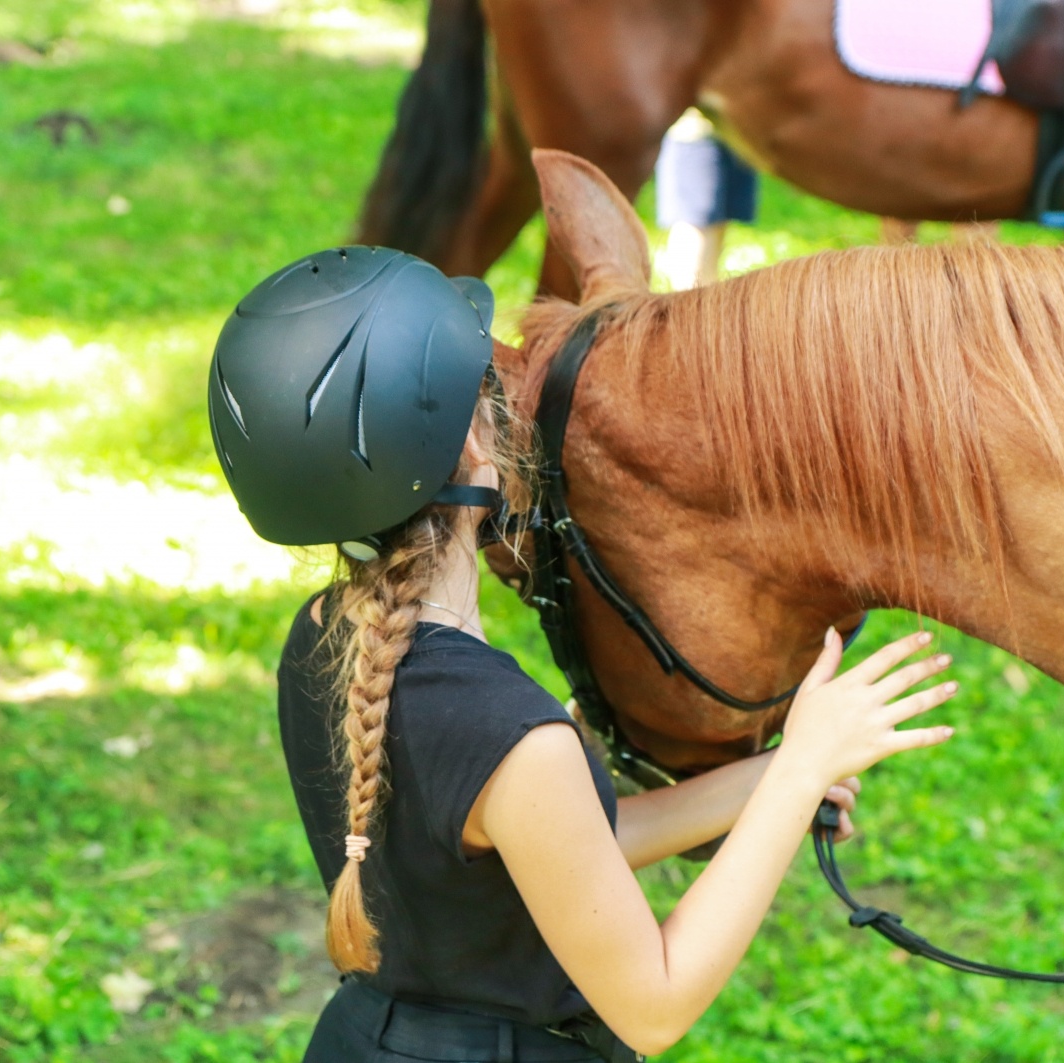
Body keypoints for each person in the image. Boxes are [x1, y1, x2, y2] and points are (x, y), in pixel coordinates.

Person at [207, 246, 960, 1062]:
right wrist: (802, 768)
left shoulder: (320, 635)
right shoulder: (515, 738)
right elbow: (655, 1005)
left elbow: (552, 855)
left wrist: (773, 777)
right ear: (471, 446)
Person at [655, 110, 759, 289]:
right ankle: (686, 314)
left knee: (715, 237)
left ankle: (704, 312)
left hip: (736, 136)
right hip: (693, 135)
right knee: (694, 239)